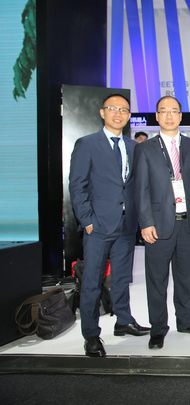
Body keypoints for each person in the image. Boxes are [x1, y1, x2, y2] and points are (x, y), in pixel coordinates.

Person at [69, 93, 150, 357]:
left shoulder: (134, 147)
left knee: (122, 278)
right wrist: (87, 221)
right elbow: (77, 186)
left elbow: (136, 186)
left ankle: (123, 320)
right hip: (98, 226)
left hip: (126, 226)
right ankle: (91, 335)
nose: (118, 113)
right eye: (113, 108)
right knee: (92, 281)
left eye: (124, 110)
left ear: (129, 116)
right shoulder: (87, 144)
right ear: (102, 112)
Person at [134, 96, 190, 350]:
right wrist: (146, 222)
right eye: (163, 111)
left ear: (180, 116)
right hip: (158, 225)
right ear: (157, 116)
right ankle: (158, 328)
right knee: (157, 280)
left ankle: (185, 321)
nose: (169, 116)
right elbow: (141, 189)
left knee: (184, 278)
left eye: (174, 111)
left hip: (186, 224)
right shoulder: (145, 148)